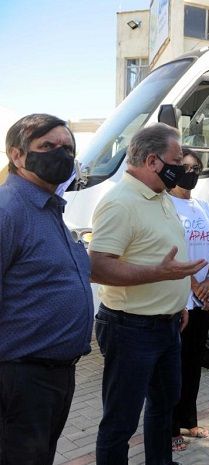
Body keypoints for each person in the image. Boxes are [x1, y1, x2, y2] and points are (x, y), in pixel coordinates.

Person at [89, 123, 207, 465]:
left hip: (167, 325)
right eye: (176, 160)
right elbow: (98, 267)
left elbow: (161, 255)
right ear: (153, 160)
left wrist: (177, 302)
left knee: (164, 405)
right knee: (121, 421)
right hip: (130, 328)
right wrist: (160, 275)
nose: (182, 168)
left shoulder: (161, 196)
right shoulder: (119, 202)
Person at [0, 114, 94, 465]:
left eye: (68, 148)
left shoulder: (49, 207)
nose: (61, 154)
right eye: (48, 146)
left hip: (55, 375)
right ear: (17, 155)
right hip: (20, 377)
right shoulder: (8, 210)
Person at [169, 148, 209, 450]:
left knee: (193, 363)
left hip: (204, 297)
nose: (191, 173)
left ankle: (189, 420)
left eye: (196, 168)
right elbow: (171, 251)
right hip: (181, 298)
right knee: (174, 366)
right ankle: (170, 428)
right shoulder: (166, 204)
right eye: (186, 167)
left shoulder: (203, 206)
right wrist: (194, 284)